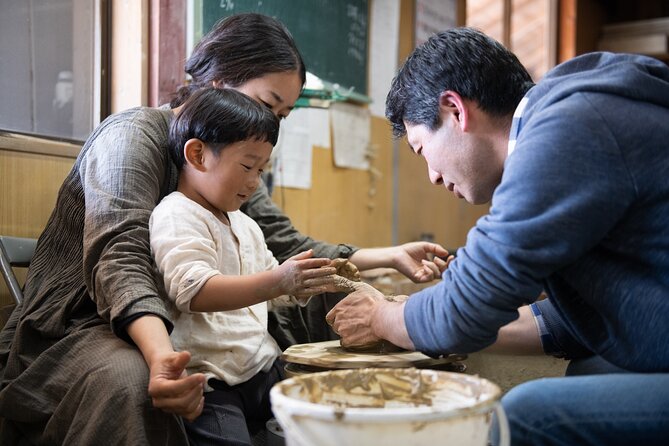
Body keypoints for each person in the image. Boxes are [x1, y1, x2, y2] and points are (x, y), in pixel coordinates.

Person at [0, 13, 449, 445]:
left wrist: (385, 257)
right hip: (86, 323)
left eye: (283, 115)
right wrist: (161, 357)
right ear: (218, 83)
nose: (272, 123)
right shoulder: (134, 136)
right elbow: (120, 257)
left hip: (188, 317)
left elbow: (285, 243)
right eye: (267, 104)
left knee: (331, 295)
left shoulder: (235, 160)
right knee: (129, 377)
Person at [326, 27, 669, 445]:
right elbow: (589, 322)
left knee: (527, 415)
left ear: (455, 109)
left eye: (422, 150)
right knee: (590, 367)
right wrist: (410, 318)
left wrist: (382, 317)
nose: (432, 175)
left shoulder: (567, 132)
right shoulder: (575, 114)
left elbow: (463, 310)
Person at [150, 87, 341, 445]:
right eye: (247, 166)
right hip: (212, 380)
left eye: (262, 169)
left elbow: (267, 286)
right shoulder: (177, 213)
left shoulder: (244, 223)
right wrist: (278, 281)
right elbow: (194, 290)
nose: (255, 182)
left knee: (329, 412)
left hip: (261, 366)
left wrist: (301, 285)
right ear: (198, 154)